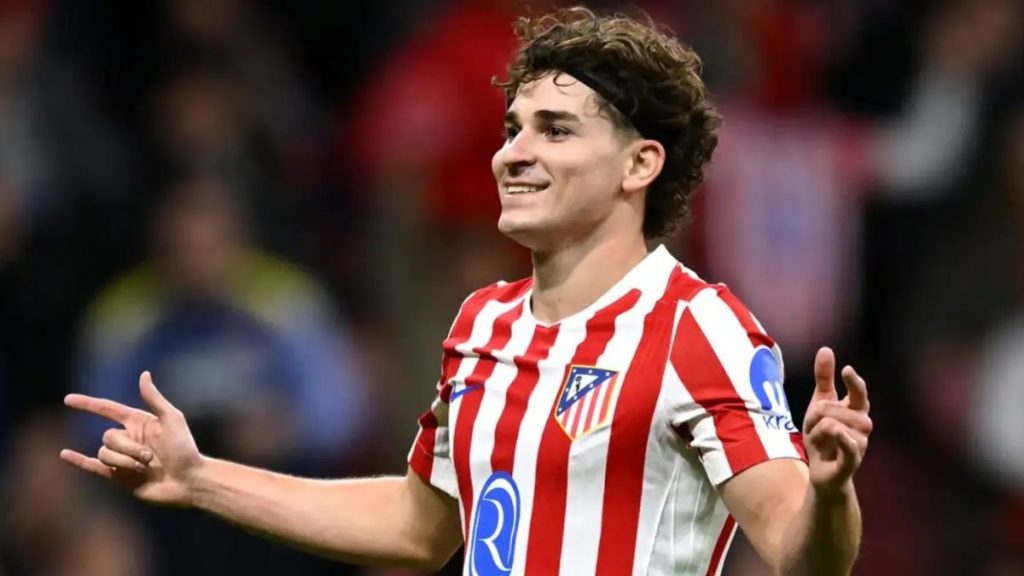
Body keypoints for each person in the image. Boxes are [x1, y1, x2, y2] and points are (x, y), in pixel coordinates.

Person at [60, 7, 873, 575]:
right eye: (513, 128)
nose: (512, 152)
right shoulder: (485, 323)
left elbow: (797, 549)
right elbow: (419, 526)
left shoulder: (701, 328)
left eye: (555, 130)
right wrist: (201, 478)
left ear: (639, 164)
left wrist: (831, 493)